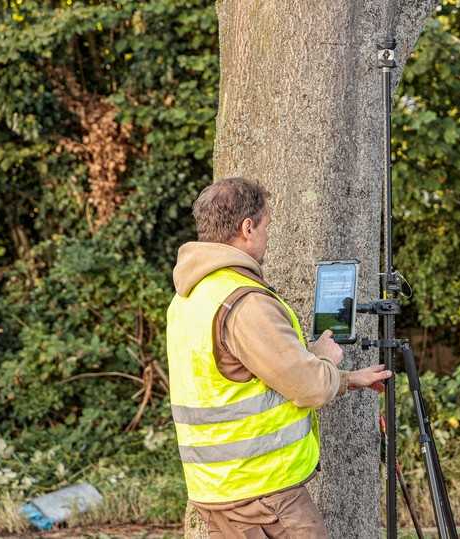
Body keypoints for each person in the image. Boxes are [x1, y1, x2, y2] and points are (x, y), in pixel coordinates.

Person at [166, 177, 391, 538]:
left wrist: (349, 379)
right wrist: (324, 358)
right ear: (247, 228)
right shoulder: (244, 302)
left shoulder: (190, 297)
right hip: (262, 493)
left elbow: (244, 379)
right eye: (266, 225)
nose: (268, 236)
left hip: (217, 490)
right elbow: (308, 388)